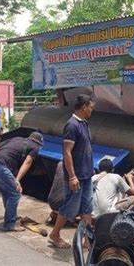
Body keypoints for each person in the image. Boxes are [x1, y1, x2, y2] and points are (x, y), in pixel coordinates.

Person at [49, 94, 95, 249]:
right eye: (90, 107)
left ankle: (86, 240)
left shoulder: (85, 124)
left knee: (87, 208)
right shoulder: (72, 125)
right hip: (77, 175)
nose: (91, 110)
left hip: (87, 174)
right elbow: (67, 152)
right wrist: (72, 176)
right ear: (84, 107)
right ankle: (55, 234)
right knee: (70, 207)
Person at [0, 132, 44, 232]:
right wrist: (17, 180)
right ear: (39, 143)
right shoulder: (35, 147)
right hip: (0, 166)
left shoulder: (17, 138)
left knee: (7, 191)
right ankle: (10, 224)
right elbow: (28, 162)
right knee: (15, 193)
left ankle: (12, 216)